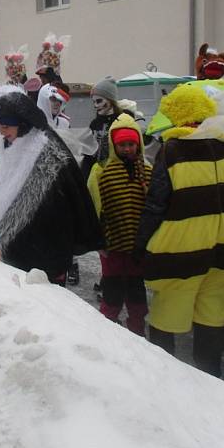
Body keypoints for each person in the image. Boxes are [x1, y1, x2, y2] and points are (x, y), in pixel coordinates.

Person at [134, 84, 224, 377]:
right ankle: (211, 377)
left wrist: (142, 244)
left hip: (181, 252)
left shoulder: (173, 151)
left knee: (168, 314)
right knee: (211, 314)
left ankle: (166, 379)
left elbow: (157, 204)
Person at [0, 85, 102, 285]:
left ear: (21, 123)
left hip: (46, 255)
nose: (1, 133)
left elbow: (63, 204)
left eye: (6, 127)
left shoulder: (46, 151)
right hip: (18, 255)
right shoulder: (11, 143)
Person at [87, 113, 151, 335]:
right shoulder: (102, 173)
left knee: (136, 291)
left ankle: (137, 330)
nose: (127, 149)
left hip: (138, 246)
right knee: (112, 290)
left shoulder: (148, 171)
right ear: (114, 145)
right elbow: (94, 207)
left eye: (131, 144)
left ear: (138, 144)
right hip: (112, 243)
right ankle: (109, 331)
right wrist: (97, 239)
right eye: (122, 145)